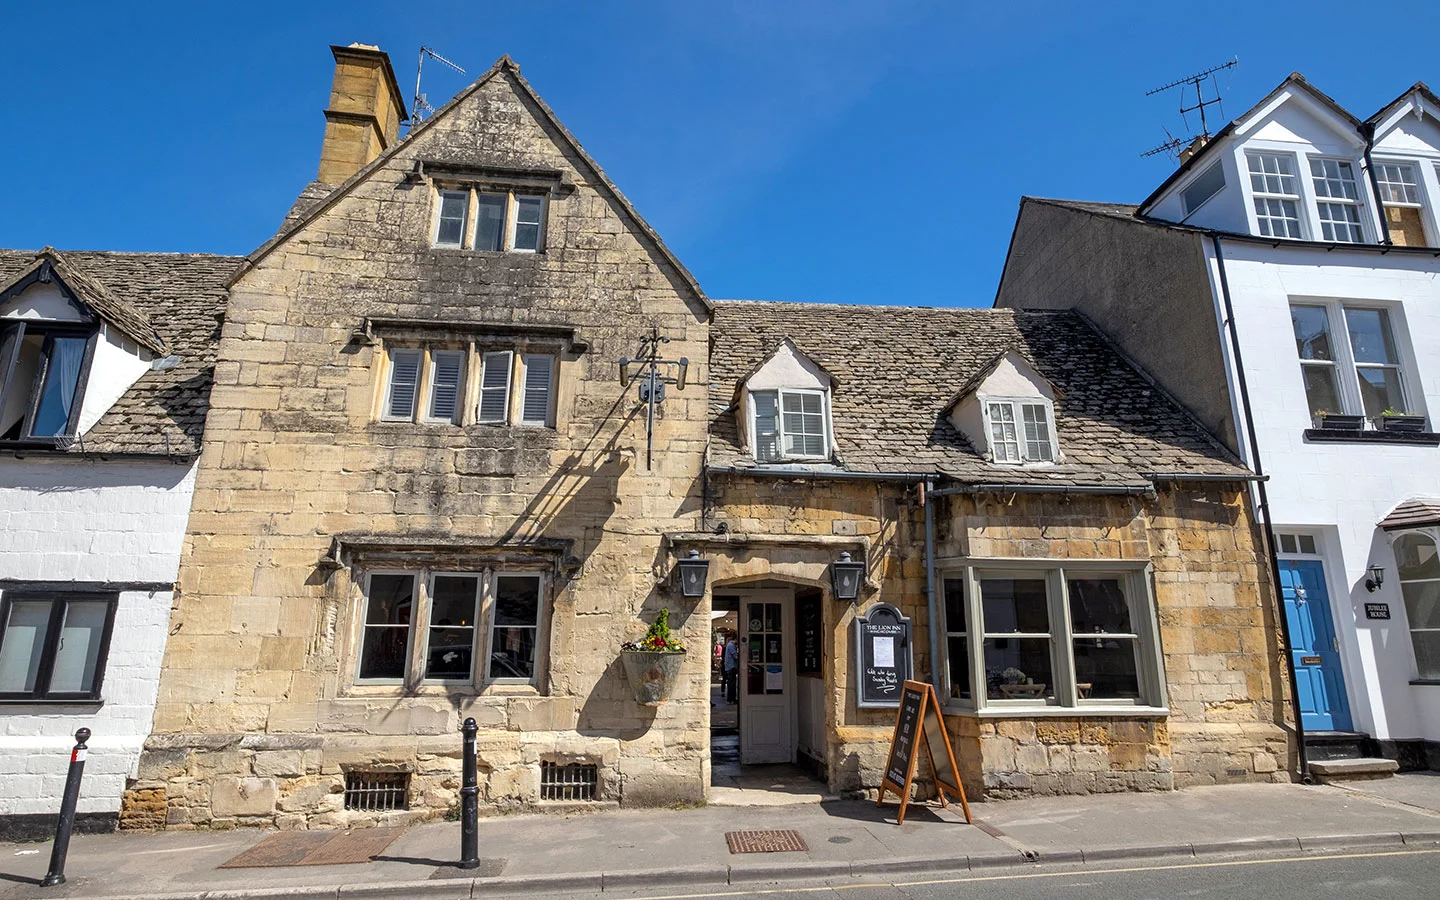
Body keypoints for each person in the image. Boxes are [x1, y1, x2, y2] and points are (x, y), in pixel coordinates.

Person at [722, 636, 739, 704]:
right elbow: (735, 656)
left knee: (731, 683)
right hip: (731, 667)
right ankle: (731, 699)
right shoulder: (731, 645)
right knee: (732, 684)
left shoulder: (729, 644)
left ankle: (731, 699)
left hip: (729, 666)